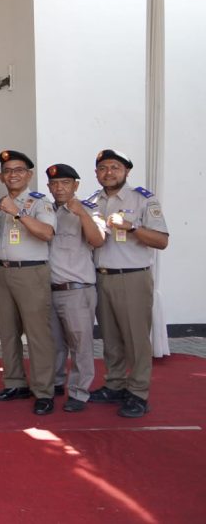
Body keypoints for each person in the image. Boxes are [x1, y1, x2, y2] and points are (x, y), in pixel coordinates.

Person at [86, 149, 169, 418]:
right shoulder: (93, 201)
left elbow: (162, 241)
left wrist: (131, 227)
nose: (108, 172)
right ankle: (115, 384)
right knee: (110, 338)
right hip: (101, 277)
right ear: (96, 173)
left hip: (132, 277)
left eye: (115, 167)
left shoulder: (143, 199)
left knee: (136, 339)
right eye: (103, 168)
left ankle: (138, 393)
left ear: (127, 171)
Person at [0, 150, 58, 415]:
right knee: (8, 332)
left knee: (37, 335)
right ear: (0, 176)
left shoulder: (39, 202)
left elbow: (47, 233)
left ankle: (44, 391)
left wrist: (17, 213)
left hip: (31, 273)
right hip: (1, 272)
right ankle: (15, 383)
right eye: (7, 171)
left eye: (18, 170)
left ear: (29, 175)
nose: (12, 175)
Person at [45, 163, 105, 413]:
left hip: (77, 290)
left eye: (65, 183)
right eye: (54, 184)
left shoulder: (88, 209)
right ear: (49, 187)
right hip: (49, 289)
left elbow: (98, 240)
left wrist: (81, 214)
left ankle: (79, 391)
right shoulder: (45, 211)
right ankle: (57, 382)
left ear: (76, 185)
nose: (59, 188)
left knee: (80, 344)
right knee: (54, 343)